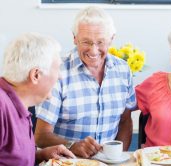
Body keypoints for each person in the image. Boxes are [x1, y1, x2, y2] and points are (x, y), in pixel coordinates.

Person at [34, 6, 137, 158]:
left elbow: (125, 122)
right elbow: (41, 136)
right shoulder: (57, 71)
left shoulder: (123, 70)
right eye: (86, 42)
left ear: (111, 39)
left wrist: (117, 158)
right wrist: (72, 146)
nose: (94, 51)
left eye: (100, 42)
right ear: (75, 38)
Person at [0, 33, 75, 166]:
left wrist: (41, 154)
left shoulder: (19, 103)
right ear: (35, 75)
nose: (61, 76)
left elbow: (7, 159)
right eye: (57, 69)